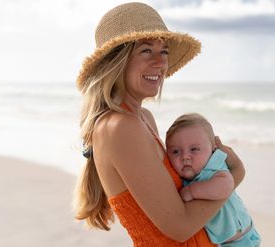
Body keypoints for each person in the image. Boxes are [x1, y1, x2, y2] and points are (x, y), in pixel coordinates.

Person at [73, 2, 246, 246]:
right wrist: (234, 174)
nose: (160, 62)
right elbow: (180, 226)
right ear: (117, 61)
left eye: (163, 51)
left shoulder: (142, 118)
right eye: (146, 51)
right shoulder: (120, 127)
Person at [166, 113, 261, 247]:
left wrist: (192, 191)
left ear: (212, 148)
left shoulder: (214, 163)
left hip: (242, 237)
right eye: (176, 151)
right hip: (225, 243)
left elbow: (226, 184)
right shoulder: (181, 178)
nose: (185, 156)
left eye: (194, 149)